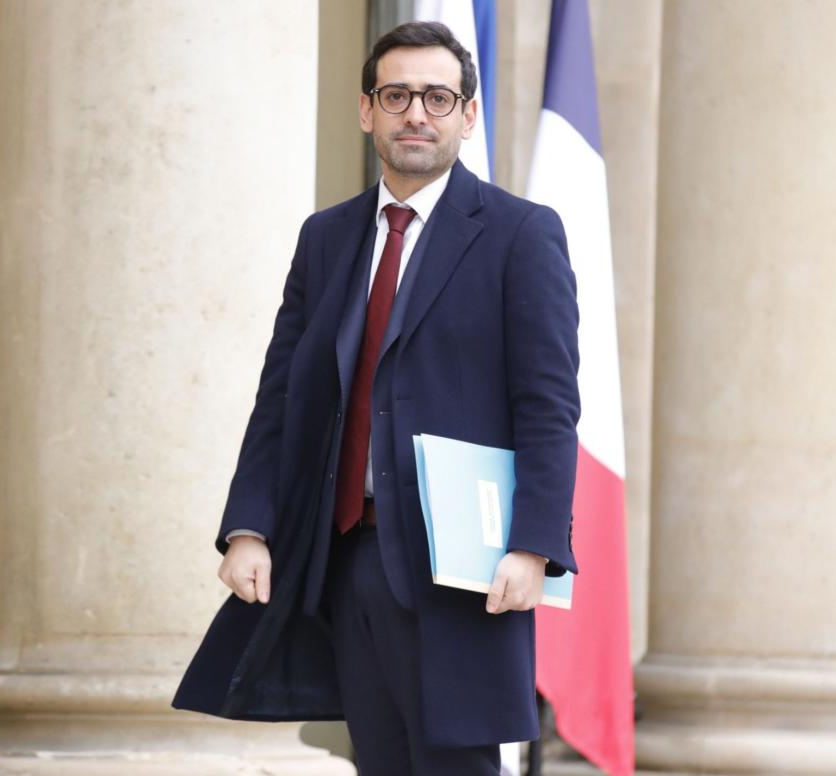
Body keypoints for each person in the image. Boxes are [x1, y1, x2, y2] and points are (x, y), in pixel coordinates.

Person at [173, 20, 579, 776]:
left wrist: (533, 545)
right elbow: (282, 396)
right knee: (381, 762)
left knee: (455, 763)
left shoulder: (520, 235)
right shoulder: (325, 238)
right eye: (396, 95)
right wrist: (248, 528)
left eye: (436, 96)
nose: (415, 114)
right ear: (367, 111)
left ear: (467, 115)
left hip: (463, 566)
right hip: (347, 556)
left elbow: (548, 404)